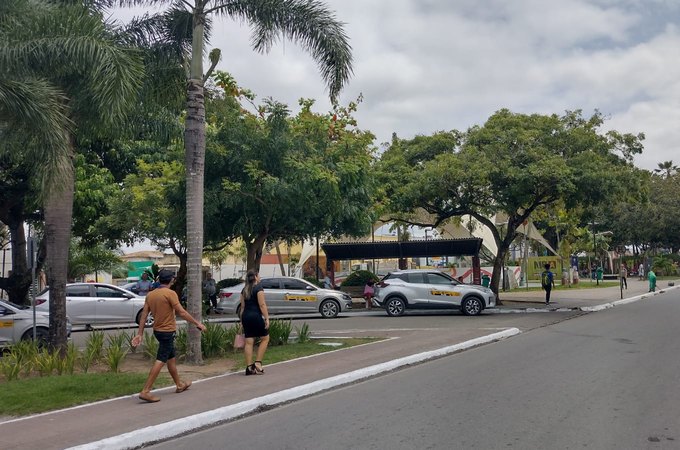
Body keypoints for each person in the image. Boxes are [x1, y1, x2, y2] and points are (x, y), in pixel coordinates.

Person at [131, 269, 206, 403]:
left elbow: (143, 316)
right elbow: (181, 313)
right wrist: (197, 323)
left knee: (171, 357)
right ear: (171, 280)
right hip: (167, 332)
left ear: (159, 280)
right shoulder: (170, 293)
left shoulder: (151, 295)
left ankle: (179, 385)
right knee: (161, 359)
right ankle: (146, 390)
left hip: (158, 332)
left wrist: (140, 334)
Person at [239, 269, 270, 375]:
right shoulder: (259, 288)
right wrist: (266, 318)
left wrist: (241, 320)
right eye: (259, 275)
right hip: (256, 316)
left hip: (246, 317)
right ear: (256, 277)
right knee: (265, 338)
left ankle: (249, 367)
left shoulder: (244, 290)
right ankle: (258, 362)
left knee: (249, 341)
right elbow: (262, 305)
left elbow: (242, 307)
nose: (260, 277)